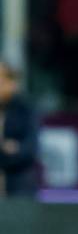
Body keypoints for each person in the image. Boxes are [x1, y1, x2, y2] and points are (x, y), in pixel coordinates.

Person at [0, 61, 38, 197]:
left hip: (19, 188)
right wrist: (5, 148)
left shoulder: (25, 108)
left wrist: (14, 152)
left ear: (11, 83)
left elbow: (30, 149)